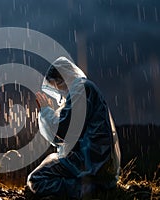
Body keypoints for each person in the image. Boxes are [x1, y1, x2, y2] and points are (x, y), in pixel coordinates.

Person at [27, 57, 121, 199]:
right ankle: (90, 187)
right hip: (90, 159)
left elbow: (64, 132)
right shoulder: (81, 90)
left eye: (56, 84)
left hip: (89, 160)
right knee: (39, 178)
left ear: (63, 78)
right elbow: (64, 136)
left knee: (36, 180)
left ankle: (89, 190)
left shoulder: (81, 88)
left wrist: (46, 110)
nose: (58, 89)